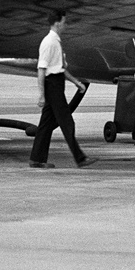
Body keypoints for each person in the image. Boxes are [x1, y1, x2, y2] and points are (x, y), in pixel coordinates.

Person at [31, 11, 95, 168]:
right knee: (67, 122)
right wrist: (41, 94)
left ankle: (37, 159)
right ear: (57, 23)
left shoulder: (55, 42)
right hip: (53, 85)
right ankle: (80, 158)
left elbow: (60, 68)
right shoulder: (49, 43)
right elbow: (41, 69)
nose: (66, 25)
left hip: (56, 83)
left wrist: (76, 82)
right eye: (64, 22)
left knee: (46, 124)